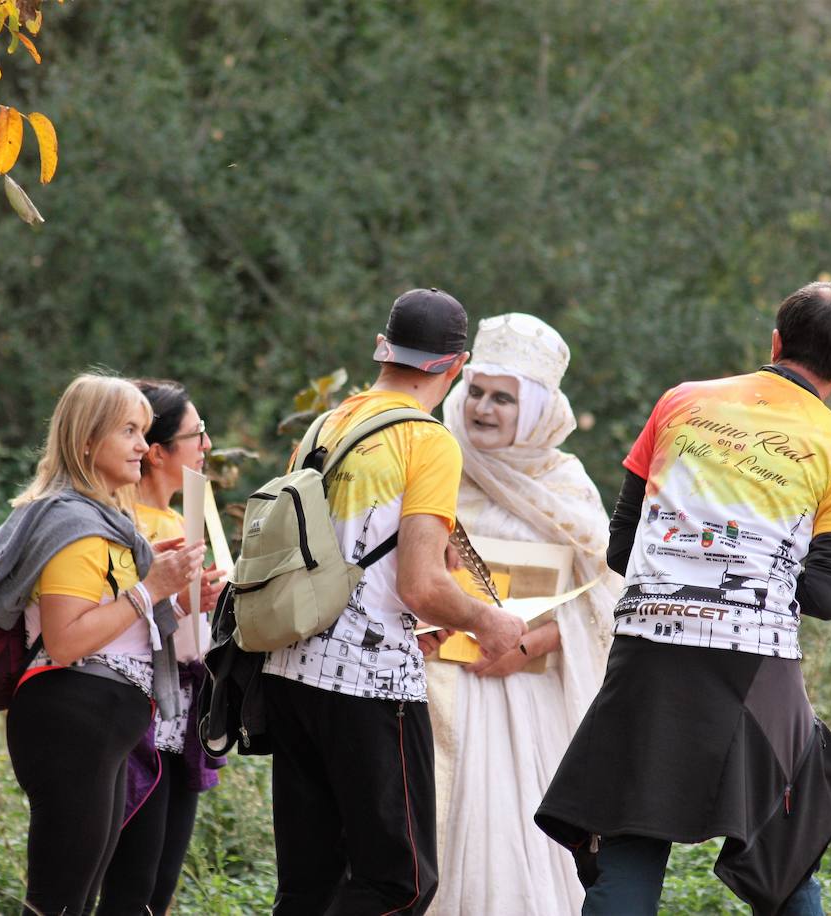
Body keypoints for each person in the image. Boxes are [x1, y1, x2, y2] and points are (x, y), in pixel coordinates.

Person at [536, 282, 831, 916]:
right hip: (753, 667)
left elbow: (622, 548)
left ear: (775, 342)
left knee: (628, 846)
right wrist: (754, 565)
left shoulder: (681, 402)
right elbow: (830, 594)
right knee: (785, 850)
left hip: (648, 653)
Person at [260, 287, 528, 915]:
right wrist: (490, 620)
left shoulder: (328, 422)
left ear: (383, 349)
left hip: (291, 670)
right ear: (454, 367)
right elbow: (420, 586)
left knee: (309, 883)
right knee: (398, 883)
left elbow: (346, 552)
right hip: (368, 683)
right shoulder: (428, 441)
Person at [0, 372, 204, 916]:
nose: (144, 445)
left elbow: (118, 624)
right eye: (130, 432)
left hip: (96, 722)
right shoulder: (73, 522)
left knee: (78, 899)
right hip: (72, 719)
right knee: (58, 902)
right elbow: (67, 640)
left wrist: (181, 600)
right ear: (87, 440)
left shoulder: (103, 519)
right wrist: (151, 588)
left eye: (144, 431)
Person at [425, 313, 621, 915]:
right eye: (477, 391)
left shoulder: (565, 484)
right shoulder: (435, 460)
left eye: (503, 398)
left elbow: (603, 602)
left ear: (535, 407)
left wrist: (528, 646)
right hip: (434, 682)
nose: (484, 407)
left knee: (510, 842)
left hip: (524, 699)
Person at [98, 380, 229, 915]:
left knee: (161, 884)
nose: (205, 448)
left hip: (184, 711)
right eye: (197, 436)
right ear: (157, 452)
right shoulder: (120, 522)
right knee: (132, 882)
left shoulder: (184, 521)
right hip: (137, 711)